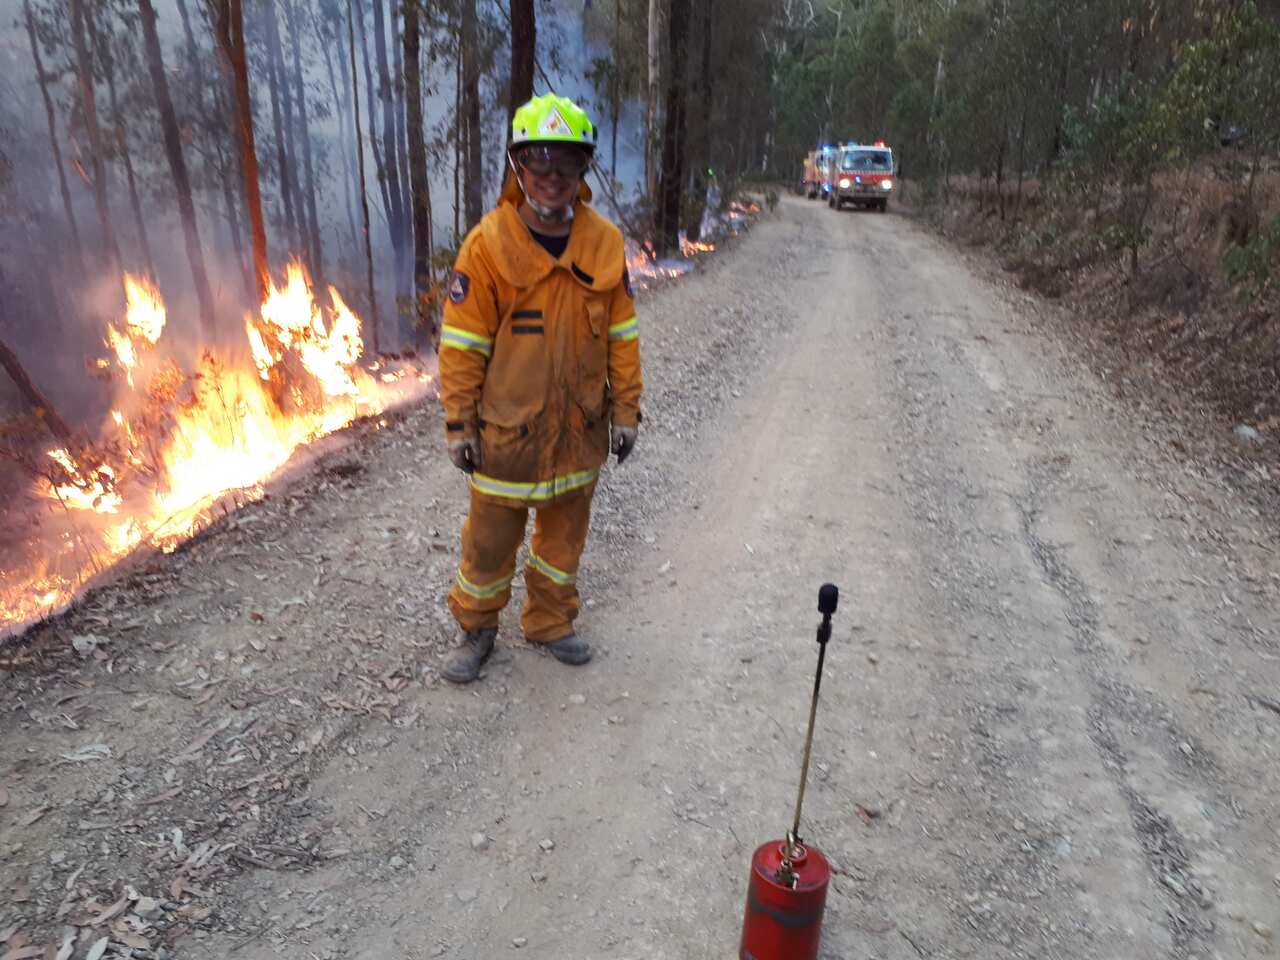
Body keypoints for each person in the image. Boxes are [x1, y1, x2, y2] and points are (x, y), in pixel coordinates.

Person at [437, 93, 643, 684]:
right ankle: (478, 629)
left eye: (566, 161)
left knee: (564, 537)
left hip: (579, 430)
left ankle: (550, 622)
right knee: (489, 542)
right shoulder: (488, 245)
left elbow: (623, 335)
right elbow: (462, 346)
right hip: (508, 433)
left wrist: (627, 410)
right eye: (538, 160)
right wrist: (460, 424)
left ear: (583, 168)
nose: (552, 175)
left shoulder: (603, 244)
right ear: (518, 166)